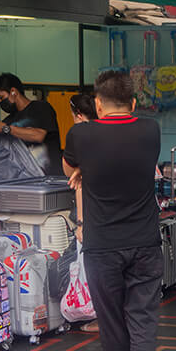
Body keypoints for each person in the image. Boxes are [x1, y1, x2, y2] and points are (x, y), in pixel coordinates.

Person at [64, 72, 162, 351]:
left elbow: (69, 167)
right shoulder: (151, 130)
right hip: (146, 243)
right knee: (143, 321)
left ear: (99, 103)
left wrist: (83, 172)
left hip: (102, 246)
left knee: (111, 321)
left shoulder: (81, 135)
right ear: (134, 103)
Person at [67, 93, 99, 334]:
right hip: (116, 213)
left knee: (94, 267)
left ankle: (100, 317)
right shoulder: (111, 132)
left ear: (78, 115)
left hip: (92, 213)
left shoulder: (80, 136)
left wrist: (80, 223)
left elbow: (77, 179)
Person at [0, 72, 62, 175]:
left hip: (50, 178)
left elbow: (38, 135)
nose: (0, 103)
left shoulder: (42, 108)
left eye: (1, 97)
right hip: (25, 180)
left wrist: (7, 129)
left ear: (13, 92)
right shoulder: (8, 121)